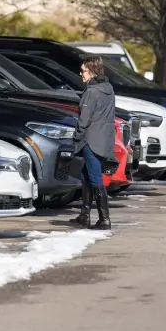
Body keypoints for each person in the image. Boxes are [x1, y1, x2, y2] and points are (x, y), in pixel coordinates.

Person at [70, 55, 115, 230]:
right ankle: (84, 215)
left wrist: (76, 136)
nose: (81, 74)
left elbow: (84, 120)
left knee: (95, 179)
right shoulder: (108, 89)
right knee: (87, 176)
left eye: (83, 71)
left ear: (92, 71)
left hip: (90, 140)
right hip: (104, 139)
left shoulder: (91, 92)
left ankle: (104, 219)